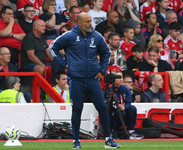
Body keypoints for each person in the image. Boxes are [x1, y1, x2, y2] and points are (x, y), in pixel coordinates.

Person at [49, 12, 120, 149]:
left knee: (102, 107)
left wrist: (102, 70)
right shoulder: (69, 35)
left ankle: (108, 139)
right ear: (79, 23)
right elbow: (53, 47)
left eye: (91, 21)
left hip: (93, 79)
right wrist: (63, 64)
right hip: (76, 79)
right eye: (87, 22)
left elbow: (106, 52)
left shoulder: (96, 36)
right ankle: (76, 141)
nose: (90, 24)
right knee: (77, 109)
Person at [107, 70, 143, 139]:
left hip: (123, 111)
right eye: (118, 77)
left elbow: (128, 102)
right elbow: (107, 104)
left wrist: (125, 107)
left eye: (122, 77)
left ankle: (131, 131)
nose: (121, 79)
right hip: (113, 112)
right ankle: (114, 131)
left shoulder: (126, 89)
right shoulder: (109, 90)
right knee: (120, 113)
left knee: (132, 108)